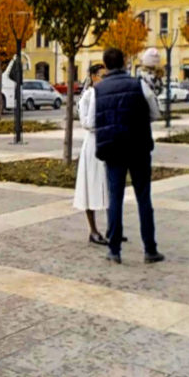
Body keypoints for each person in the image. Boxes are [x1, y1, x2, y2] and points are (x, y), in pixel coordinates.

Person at [91, 47, 162, 264]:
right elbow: (155, 113)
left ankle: (114, 250)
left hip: (113, 148)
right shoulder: (139, 84)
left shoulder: (98, 90)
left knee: (115, 199)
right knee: (143, 198)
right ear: (123, 62)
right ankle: (150, 249)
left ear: (105, 65)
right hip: (138, 147)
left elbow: (93, 122)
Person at [72, 63, 113, 246]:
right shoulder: (89, 96)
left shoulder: (105, 94)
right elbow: (88, 123)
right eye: (103, 76)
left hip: (107, 141)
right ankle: (93, 230)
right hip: (94, 144)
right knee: (91, 185)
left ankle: (113, 227)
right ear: (94, 77)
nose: (105, 80)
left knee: (110, 186)